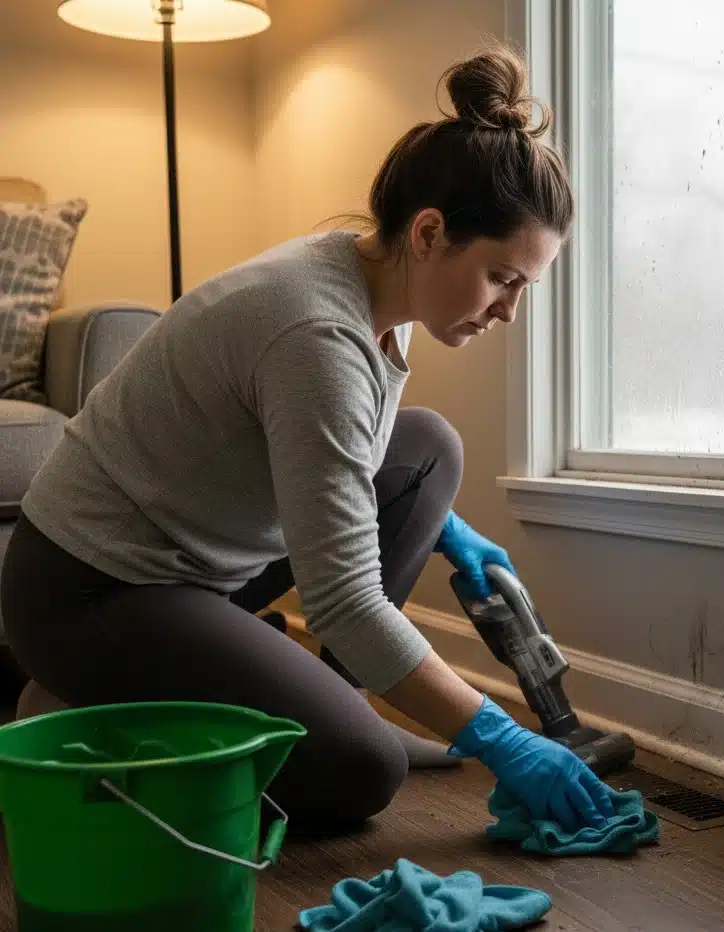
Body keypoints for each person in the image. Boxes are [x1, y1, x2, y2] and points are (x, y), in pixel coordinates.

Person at [0, 45, 615, 833]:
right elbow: (344, 601)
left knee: (427, 450)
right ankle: (82, 699)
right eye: (503, 278)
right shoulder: (316, 334)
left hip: (201, 561)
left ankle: (327, 700)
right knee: (362, 769)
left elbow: (345, 460)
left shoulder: (379, 285)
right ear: (429, 232)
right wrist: (499, 736)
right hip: (90, 591)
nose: (508, 311)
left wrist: (448, 530)